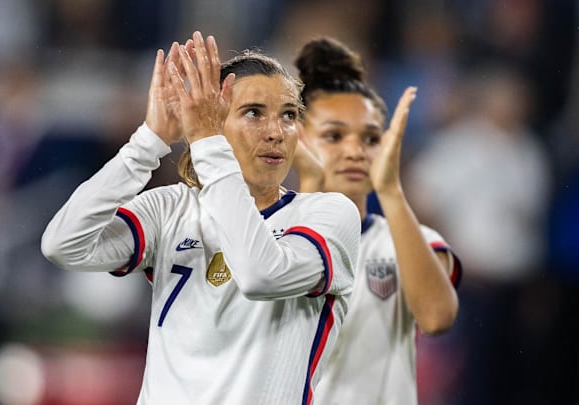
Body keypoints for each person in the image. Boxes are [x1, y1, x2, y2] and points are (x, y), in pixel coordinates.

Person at [41, 31, 361, 404]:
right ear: (212, 121)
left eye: (288, 115)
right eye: (254, 113)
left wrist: (209, 143)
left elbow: (260, 274)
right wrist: (148, 141)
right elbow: (63, 245)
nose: (276, 132)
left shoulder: (328, 216)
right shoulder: (170, 209)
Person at [291, 37, 462, 405]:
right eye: (334, 136)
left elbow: (436, 317)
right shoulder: (266, 235)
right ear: (300, 140)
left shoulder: (407, 241)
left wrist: (390, 190)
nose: (355, 151)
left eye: (370, 138)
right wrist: (308, 185)